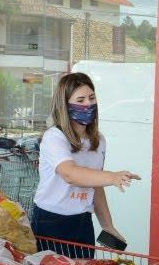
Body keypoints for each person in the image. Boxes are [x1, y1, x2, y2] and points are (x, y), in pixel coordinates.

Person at [33, 72, 136, 254]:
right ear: (64, 106)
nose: (88, 104)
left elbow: (95, 185)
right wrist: (112, 177)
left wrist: (108, 226)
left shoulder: (98, 141)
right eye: (80, 100)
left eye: (91, 97)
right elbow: (69, 174)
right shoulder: (55, 137)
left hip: (82, 221)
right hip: (51, 222)